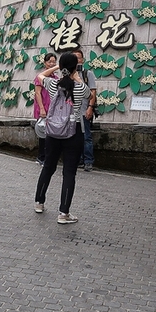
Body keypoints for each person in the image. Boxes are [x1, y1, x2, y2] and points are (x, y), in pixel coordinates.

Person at [33, 52, 89, 224]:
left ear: (61, 66)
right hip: (73, 131)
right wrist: (75, 75)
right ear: (75, 67)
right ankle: (63, 213)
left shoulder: (53, 84)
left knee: (48, 167)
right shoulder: (79, 88)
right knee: (69, 172)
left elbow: (40, 76)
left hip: (53, 131)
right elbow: (89, 94)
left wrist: (59, 67)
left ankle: (39, 202)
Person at [72, 48, 97, 171]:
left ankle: (88, 161)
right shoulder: (68, 74)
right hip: (72, 113)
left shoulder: (88, 74)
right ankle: (79, 160)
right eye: (74, 58)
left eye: (79, 58)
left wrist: (90, 108)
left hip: (84, 110)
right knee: (75, 138)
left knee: (86, 136)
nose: (77, 60)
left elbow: (93, 91)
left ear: (82, 60)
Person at [33, 52, 58, 165]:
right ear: (45, 63)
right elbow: (38, 93)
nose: (52, 64)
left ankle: (47, 157)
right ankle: (41, 157)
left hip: (52, 109)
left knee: (50, 134)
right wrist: (42, 109)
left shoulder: (56, 78)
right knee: (43, 133)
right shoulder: (41, 77)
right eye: (49, 62)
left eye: (54, 62)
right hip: (43, 108)